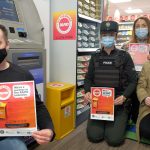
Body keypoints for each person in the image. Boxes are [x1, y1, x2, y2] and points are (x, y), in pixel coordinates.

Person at [0, 25, 55, 150]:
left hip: (8, 136)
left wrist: (48, 128)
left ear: (7, 45)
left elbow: (38, 106)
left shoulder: (22, 75)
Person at [84, 21, 137, 146]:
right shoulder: (95, 57)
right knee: (94, 136)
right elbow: (88, 79)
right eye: (104, 34)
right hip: (99, 105)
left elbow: (133, 81)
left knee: (114, 140)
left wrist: (124, 97)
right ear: (100, 37)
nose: (107, 37)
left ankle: (123, 117)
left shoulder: (125, 56)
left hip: (118, 105)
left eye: (111, 34)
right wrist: (87, 92)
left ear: (116, 36)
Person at [122, 17, 150, 123]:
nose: (140, 28)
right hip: (130, 83)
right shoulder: (126, 46)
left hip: (146, 85)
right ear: (134, 29)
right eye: (137, 26)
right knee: (134, 117)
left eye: (144, 26)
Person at [136, 61, 150, 142]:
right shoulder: (146, 65)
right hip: (148, 108)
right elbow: (140, 86)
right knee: (146, 130)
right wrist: (145, 98)